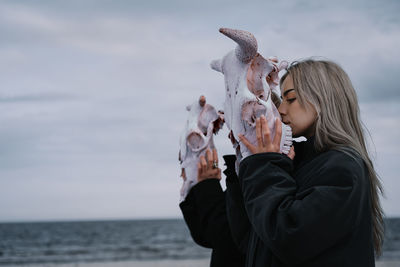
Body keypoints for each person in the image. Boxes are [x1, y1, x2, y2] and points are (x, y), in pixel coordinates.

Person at [200, 59, 384, 266]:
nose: (282, 109)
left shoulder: (344, 168)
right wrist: (243, 162)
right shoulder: (295, 161)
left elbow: (288, 235)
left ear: (323, 99)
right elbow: (248, 239)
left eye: (291, 99)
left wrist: (264, 164)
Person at [179, 148, 245, 267]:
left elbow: (223, 235)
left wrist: (208, 184)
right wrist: (193, 185)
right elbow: (205, 236)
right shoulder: (240, 176)